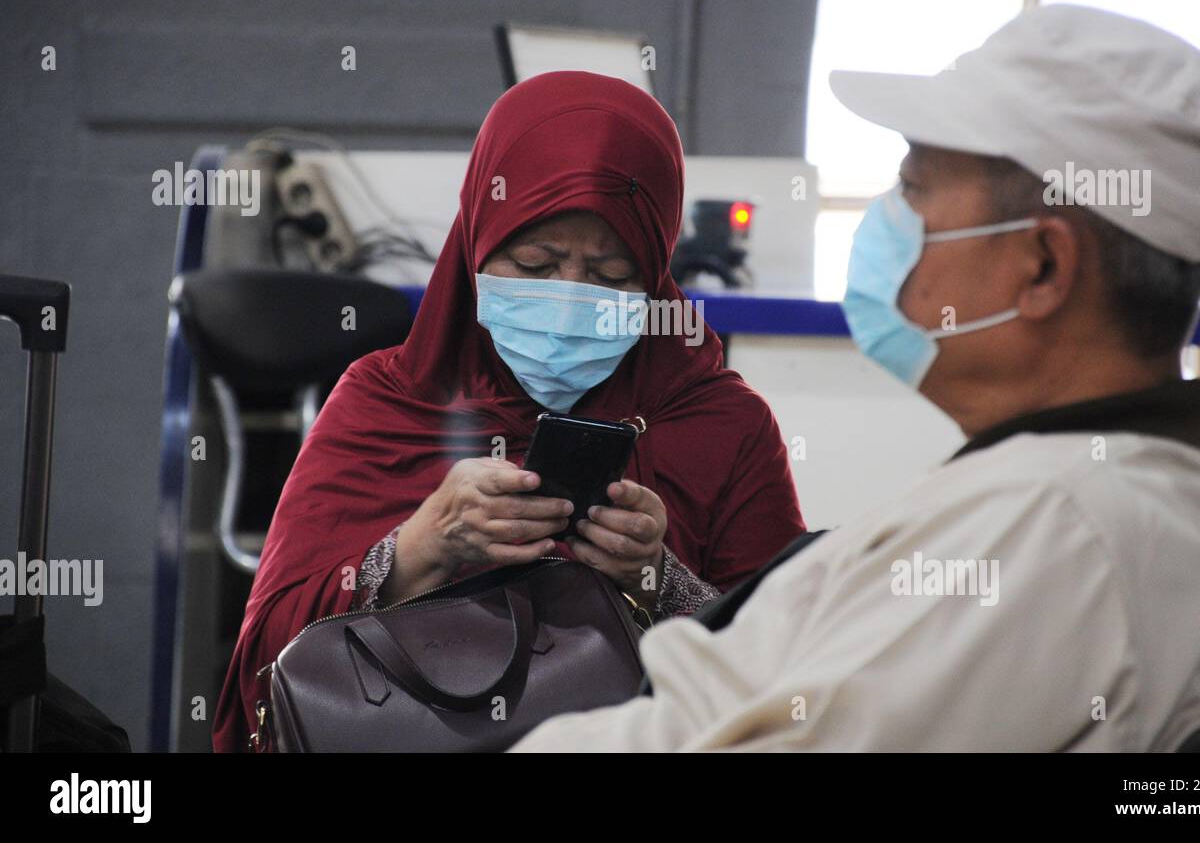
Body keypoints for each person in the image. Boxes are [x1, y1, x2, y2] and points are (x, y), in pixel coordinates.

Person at [511, 4, 1200, 752]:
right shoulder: (1056, 497)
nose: (887, 224)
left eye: (916, 192)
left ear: (1043, 266)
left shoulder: (1050, 535)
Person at [212, 71, 805, 753]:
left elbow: (792, 672)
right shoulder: (386, 400)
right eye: (534, 261)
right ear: (475, 246)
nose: (571, 295)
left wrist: (659, 579)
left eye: (612, 275)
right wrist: (420, 547)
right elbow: (266, 661)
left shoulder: (720, 425)